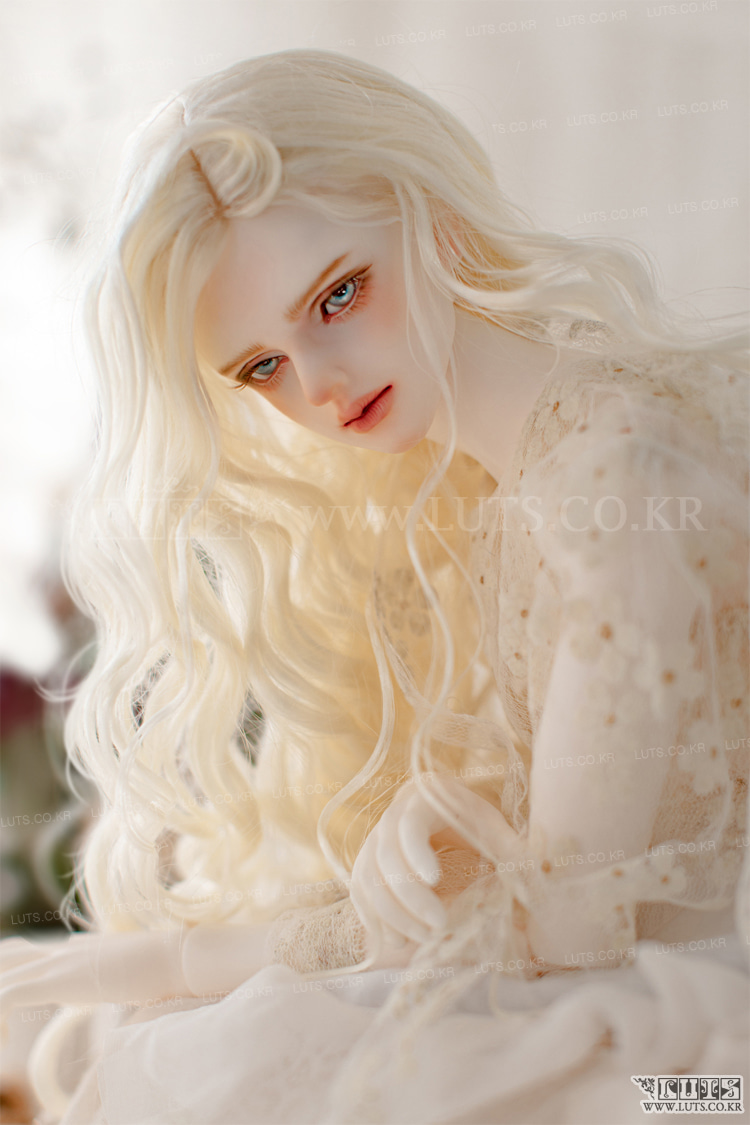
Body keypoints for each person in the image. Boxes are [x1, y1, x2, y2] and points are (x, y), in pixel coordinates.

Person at [1, 48, 747, 1125]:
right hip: (646, 1001)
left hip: (704, 1077)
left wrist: (175, 960)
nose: (321, 382)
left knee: (249, 1069)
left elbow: (569, 929)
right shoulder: (509, 480)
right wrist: (159, 959)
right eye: (262, 367)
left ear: (431, 215)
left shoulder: (612, 480)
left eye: (339, 294)